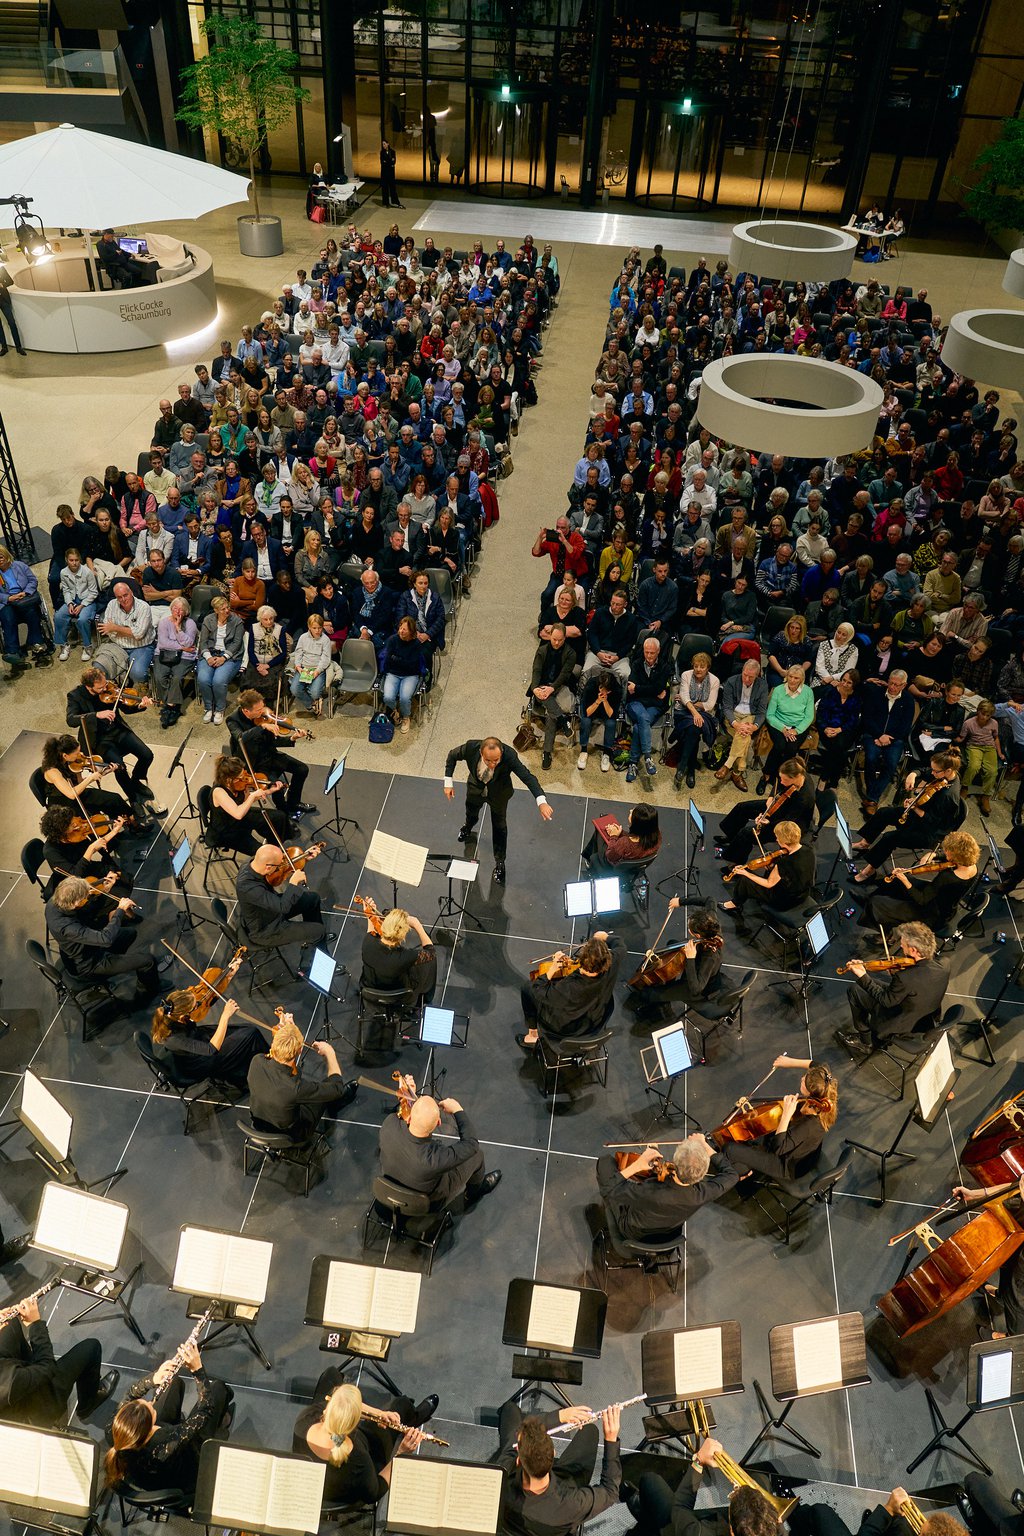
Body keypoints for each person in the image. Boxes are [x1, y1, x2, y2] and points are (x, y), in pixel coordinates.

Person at [104, 1342, 231, 1500]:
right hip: (182, 1475)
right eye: (150, 1408)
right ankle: (223, 1420)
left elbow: (130, 1395)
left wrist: (153, 1379)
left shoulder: (113, 1430)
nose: (150, 1402)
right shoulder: (168, 1442)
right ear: (149, 1428)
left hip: (144, 1474)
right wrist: (197, 1370)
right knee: (217, 1389)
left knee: (173, 1382)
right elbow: (205, 1410)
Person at [292, 1373, 434, 1507]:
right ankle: (415, 1416)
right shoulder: (358, 1458)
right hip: (344, 1494)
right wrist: (401, 1454)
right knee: (400, 1404)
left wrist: (380, 1414)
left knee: (331, 1373)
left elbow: (338, 1429)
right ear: (354, 1422)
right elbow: (374, 1493)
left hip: (316, 1483)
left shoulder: (306, 1417)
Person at [494, 1402, 621, 1536]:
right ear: (553, 1454)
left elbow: (518, 1432)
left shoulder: (501, 1479)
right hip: (564, 1485)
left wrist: (560, 1416)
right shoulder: (571, 1504)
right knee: (590, 1430)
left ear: (519, 1461)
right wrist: (611, 1439)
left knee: (510, 1408)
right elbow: (610, 1491)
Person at [444, 735, 553, 884]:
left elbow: (527, 777)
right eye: (488, 760)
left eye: (496, 760)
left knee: (499, 827)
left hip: (499, 795)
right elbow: (452, 755)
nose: (492, 764)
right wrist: (448, 782)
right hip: (475, 789)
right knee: (471, 812)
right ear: (481, 753)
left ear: (501, 753)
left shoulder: (509, 756)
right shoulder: (470, 748)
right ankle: (468, 827)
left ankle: (500, 861)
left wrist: (541, 801)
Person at [626, 1431, 780, 1536]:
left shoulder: (696, 1533)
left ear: (732, 1531)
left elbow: (680, 1507)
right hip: (718, 1522)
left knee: (650, 1481)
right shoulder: (774, 1529)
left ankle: (647, 1524)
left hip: (683, 1527)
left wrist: (699, 1461)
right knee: (761, 1481)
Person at [0, 1294, 116, 1427]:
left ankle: (30, 1366)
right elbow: (47, 1367)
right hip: (35, 1408)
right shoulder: (6, 1382)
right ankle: (87, 1407)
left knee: (10, 1324)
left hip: (12, 1379)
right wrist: (35, 1324)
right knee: (91, 1347)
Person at [597, 1133, 737, 1242]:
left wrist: (638, 1165)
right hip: (669, 1236)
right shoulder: (702, 1194)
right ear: (702, 1174)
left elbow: (607, 1190)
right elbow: (731, 1175)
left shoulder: (649, 1191)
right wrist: (704, 1145)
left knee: (605, 1162)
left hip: (634, 1233)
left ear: (675, 1163)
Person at [66, 666, 165, 819]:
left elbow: (125, 708)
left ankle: (136, 781)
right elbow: (70, 720)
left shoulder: (110, 687)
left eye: (105, 684)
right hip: (99, 739)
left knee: (147, 755)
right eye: (100, 687)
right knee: (120, 768)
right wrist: (96, 715)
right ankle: (133, 799)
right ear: (89, 686)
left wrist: (140, 705)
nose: (105, 688)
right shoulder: (75, 696)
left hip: (118, 730)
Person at [836, 920, 949, 1052]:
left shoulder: (905, 978)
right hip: (926, 1015)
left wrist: (862, 975)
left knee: (855, 990)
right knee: (870, 985)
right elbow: (919, 979)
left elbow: (886, 1001)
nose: (900, 944)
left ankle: (866, 1041)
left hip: (901, 1021)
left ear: (913, 950)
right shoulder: (945, 963)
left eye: (903, 943)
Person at [852, 749, 963, 881]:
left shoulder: (949, 796)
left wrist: (915, 807)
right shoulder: (944, 776)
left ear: (948, 770)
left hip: (930, 832)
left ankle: (869, 872)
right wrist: (912, 774)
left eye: (935, 771)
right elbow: (924, 770)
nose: (932, 773)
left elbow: (933, 821)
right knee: (883, 813)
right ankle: (864, 844)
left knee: (890, 838)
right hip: (921, 816)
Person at [46, 876, 161, 1001]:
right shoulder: (68, 927)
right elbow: (105, 939)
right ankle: (146, 995)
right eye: (84, 897)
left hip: (86, 948)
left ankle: (117, 965)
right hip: (89, 964)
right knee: (148, 961)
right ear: (75, 903)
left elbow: (85, 911)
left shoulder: (55, 902)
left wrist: (104, 890)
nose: (87, 897)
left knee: (129, 933)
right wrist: (120, 910)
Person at [724, 1057, 838, 1182]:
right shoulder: (825, 1085)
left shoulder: (809, 1125)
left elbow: (778, 1149)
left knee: (730, 1149)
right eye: (805, 1076)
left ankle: (740, 1176)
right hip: (804, 1151)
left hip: (788, 1166)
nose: (802, 1079)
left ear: (811, 1094)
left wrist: (786, 1115)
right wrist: (788, 1062)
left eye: (804, 1082)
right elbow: (817, 1064)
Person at [378, 1091, 501, 1207]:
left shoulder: (389, 1124)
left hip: (388, 1192)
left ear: (409, 1118)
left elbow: (399, 1113)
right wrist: (457, 1109)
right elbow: (471, 1144)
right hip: (426, 1204)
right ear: (438, 1123)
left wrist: (409, 1095)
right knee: (476, 1156)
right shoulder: (436, 1158)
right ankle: (473, 1194)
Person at [517, 930, 624, 1050]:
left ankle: (532, 1036)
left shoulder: (567, 987)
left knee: (526, 988)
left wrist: (553, 968)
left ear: (581, 960)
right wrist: (605, 937)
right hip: (595, 1023)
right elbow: (620, 945)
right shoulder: (612, 964)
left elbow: (538, 989)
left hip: (566, 1031)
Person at [247, 1018, 356, 1133]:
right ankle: (337, 1102)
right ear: (300, 1051)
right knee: (324, 1090)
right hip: (290, 1133)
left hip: (260, 1122)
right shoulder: (295, 1089)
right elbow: (337, 1088)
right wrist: (330, 1053)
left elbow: (273, 1053)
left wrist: (288, 1032)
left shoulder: (256, 1061)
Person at [858, 831, 980, 933]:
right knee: (894, 879)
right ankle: (868, 898)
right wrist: (933, 854)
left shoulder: (947, 877)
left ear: (956, 855)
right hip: (940, 900)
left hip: (932, 914)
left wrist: (905, 880)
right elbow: (947, 856)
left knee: (877, 902)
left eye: (948, 850)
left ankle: (884, 934)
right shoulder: (972, 866)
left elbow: (922, 900)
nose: (945, 851)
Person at [151, 984, 267, 1090]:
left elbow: (202, 1005)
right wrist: (225, 1016)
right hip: (201, 1061)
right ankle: (265, 1064)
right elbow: (211, 1050)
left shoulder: (173, 1015)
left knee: (246, 1030)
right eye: (194, 1007)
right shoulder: (174, 1039)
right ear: (182, 1016)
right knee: (251, 1033)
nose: (197, 1006)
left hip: (199, 1038)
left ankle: (253, 1062)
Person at [627, 900, 725, 1022]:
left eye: (689, 928)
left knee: (648, 994)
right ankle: (668, 976)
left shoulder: (710, 957)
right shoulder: (711, 924)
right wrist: (680, 901)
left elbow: (696, 989)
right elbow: (710, 900)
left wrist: (690, 958)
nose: (688, 929)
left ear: (697, 936)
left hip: (699, 987)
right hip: (697, 964)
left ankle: (662, 994)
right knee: (672, 943)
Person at [227, 688, 314, 820]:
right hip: (254, 763)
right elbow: (240, 738)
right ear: (246, 711)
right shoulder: (233, 720)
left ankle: (294, 803)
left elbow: (272, 741)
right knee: (277, 786)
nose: (263, 711)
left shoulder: (263, 717)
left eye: (262, 707)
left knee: (302, 769)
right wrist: (261, 727)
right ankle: (284, 814)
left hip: (270, 755)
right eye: (258, 710)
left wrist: (292, 738)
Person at [715, 756, 815, 866]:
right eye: (782, 778)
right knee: (742, 808)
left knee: (746, 833)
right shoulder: (796, 771)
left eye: (785, 780)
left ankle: (735, 863)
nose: (782, 781)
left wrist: (767, 822)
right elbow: (778, 782)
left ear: (795, 778)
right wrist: (771, 797)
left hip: (789, 825)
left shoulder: (804, 798)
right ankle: (732, 837)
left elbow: (787, 821)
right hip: (780, 804)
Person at [719, 819, 816, 926]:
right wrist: (772, 868)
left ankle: (734, 904)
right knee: (769, 872)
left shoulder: (784, 862)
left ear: (784, 842)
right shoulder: (809, 850)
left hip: (784, 902)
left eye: (777, 837)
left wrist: (746, 873)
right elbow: (795, 873)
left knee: (745, 880)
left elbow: (769, 884)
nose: (776, 839)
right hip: (802, 895)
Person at [236, 844, 332, 951]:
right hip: (267, 929)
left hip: (272, 909)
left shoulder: (254, 863)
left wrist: (303, 857)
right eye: (279, 865)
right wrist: (293, 883)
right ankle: (318, 954)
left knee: (312, 899)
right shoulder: (248, 887)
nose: (282, 865)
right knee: (319, 931)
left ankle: (314, 939)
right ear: (268, 867)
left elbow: (284, 867)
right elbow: (283, 907)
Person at [207, 754, 291, 855]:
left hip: (241, 818)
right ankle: (269, 855)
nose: (245, 779)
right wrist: (252, 796)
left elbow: (245, 801)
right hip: (227, 831)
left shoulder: (238, 784)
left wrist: (270, 791)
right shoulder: (219, 792)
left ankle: (274, 846)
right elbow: (238, 814)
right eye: (240, 777)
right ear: (229, 779)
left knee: (279, 817)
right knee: (263, 853)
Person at [859, 669, 915, 813]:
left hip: (894, 739)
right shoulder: (875, 694)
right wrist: (879, 735)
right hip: (873, 735)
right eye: (891, 683)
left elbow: (905, 726)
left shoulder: (908, 700)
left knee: (891, 763)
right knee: (871, 758)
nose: (892, 687)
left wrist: (889, 737)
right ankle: (873, 799)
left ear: (904, 685)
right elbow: (867, 717)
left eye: (897, 685)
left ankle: (872, 798)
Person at [360, 905, 436, 1009]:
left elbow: (372, 932)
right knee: (430, 964)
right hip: (399, 995)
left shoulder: (368, 942)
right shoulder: (406, 956)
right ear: (402, 936)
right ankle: (428, 997)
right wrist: (417, 925)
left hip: (371, 989)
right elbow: (431, 952)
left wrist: (370, 912)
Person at [715, 657, 769, 792]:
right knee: (745, 736)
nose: (746, 679)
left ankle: (727, 765)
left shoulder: (762, 685)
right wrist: (736, 724)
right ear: (742, 671)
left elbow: (762, 712)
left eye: (751, 677)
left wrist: (754, 726)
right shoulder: (731, 682)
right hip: (733, 715)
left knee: (743, 734)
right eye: (745, 675)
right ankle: (737, 773)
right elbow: (727, 707)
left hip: (750, 716)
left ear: (757, 675)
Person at [529, 622, 578, 768]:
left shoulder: (571, 653)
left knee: (551, 712)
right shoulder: (542, 651)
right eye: (554, 639)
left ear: (565, 638)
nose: (556, 643)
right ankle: (562, 720)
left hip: (559, 686)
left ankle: (547, 752)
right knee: (551, 709)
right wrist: (535, 688)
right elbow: (536, 671)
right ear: (550, 636)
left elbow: (564, 675)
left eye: (560, 640)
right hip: (542, 686)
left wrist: (552, 688)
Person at [625, 634, 672, 782]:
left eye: (652, 652)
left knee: (638, 727)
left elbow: (655, 688)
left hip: (654, 706)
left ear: (658, 651)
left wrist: (639, 689)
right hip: (635, 704)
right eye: (646, 652)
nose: (649, 656)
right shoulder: (636, 664)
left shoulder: (665, 666)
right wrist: (653, 693)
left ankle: (632, 763)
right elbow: (632, 690)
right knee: (643, 717)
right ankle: (647, 757)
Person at [672, 649, 720, 790]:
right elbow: (684, 696)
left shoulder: (714, 681)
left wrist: (689, 702)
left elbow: (710, 705)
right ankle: (690, 769)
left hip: (703, 714)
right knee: (694, 727)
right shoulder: (686, 675)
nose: (698, 669)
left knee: (693, 728)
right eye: (696, 666)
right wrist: (695, 710)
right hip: (684, 712)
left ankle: (682, 767)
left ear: (708, 668)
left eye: (702, 667)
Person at [760, 664, 815, 787]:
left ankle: (782, 778)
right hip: (778, 722)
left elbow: (809, 717)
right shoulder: (778, 690)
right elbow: (770, 715)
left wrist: (797, 730)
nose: (792, 680)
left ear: (801, 679)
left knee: (791, 748)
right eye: (790, 676)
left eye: (796, 678)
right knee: (779, 746)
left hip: (798, 725)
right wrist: (783, 729)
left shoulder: (808, 692)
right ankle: (766, 774)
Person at [197, 593, 245, 725]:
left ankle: (219, 709)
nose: (227, 610)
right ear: (216, 610)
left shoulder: (237, 621)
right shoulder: (208, 620)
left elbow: (237, 643)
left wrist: (224, 657)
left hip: (230, 655)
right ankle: (208, 708)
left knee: (219, 680)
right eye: (223, 609)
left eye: (227, 607)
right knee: (203, 679)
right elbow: (203, 642)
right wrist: (208, 657)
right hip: (210, 653)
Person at [0, 544, 49, 668]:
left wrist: (25, 592)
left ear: (6, 556)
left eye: (0, 557)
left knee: (32, 612)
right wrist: (8, 598)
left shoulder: (19, 566)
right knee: (7, 617)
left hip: (24, 598)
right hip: (8, 603)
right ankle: (13, 651)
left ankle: (37, 644)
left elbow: (33, 580)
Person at [582, 803, 661, 874]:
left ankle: (590, 860)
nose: (630, 810)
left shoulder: (625, 843)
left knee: (599, 831)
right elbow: (636, 837)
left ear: (636, 823)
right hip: (633, 867)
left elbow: (610, 856)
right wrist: (621, 832)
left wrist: (614, 836)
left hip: (612, 865)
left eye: (632, 813)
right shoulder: (657, 836)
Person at [379, 139, 402, 207]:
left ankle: (395, 201)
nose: (383, 145)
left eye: (384, 144)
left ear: (388, 144)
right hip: (384, 173)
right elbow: (382, 162)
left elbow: (393, 162)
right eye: (383, 144)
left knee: (393, 188)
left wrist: (387, 162)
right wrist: (389, 162)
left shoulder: (392, 152)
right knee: (385, 188)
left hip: (391, 173)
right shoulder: (382, 153)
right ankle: (386, 203)